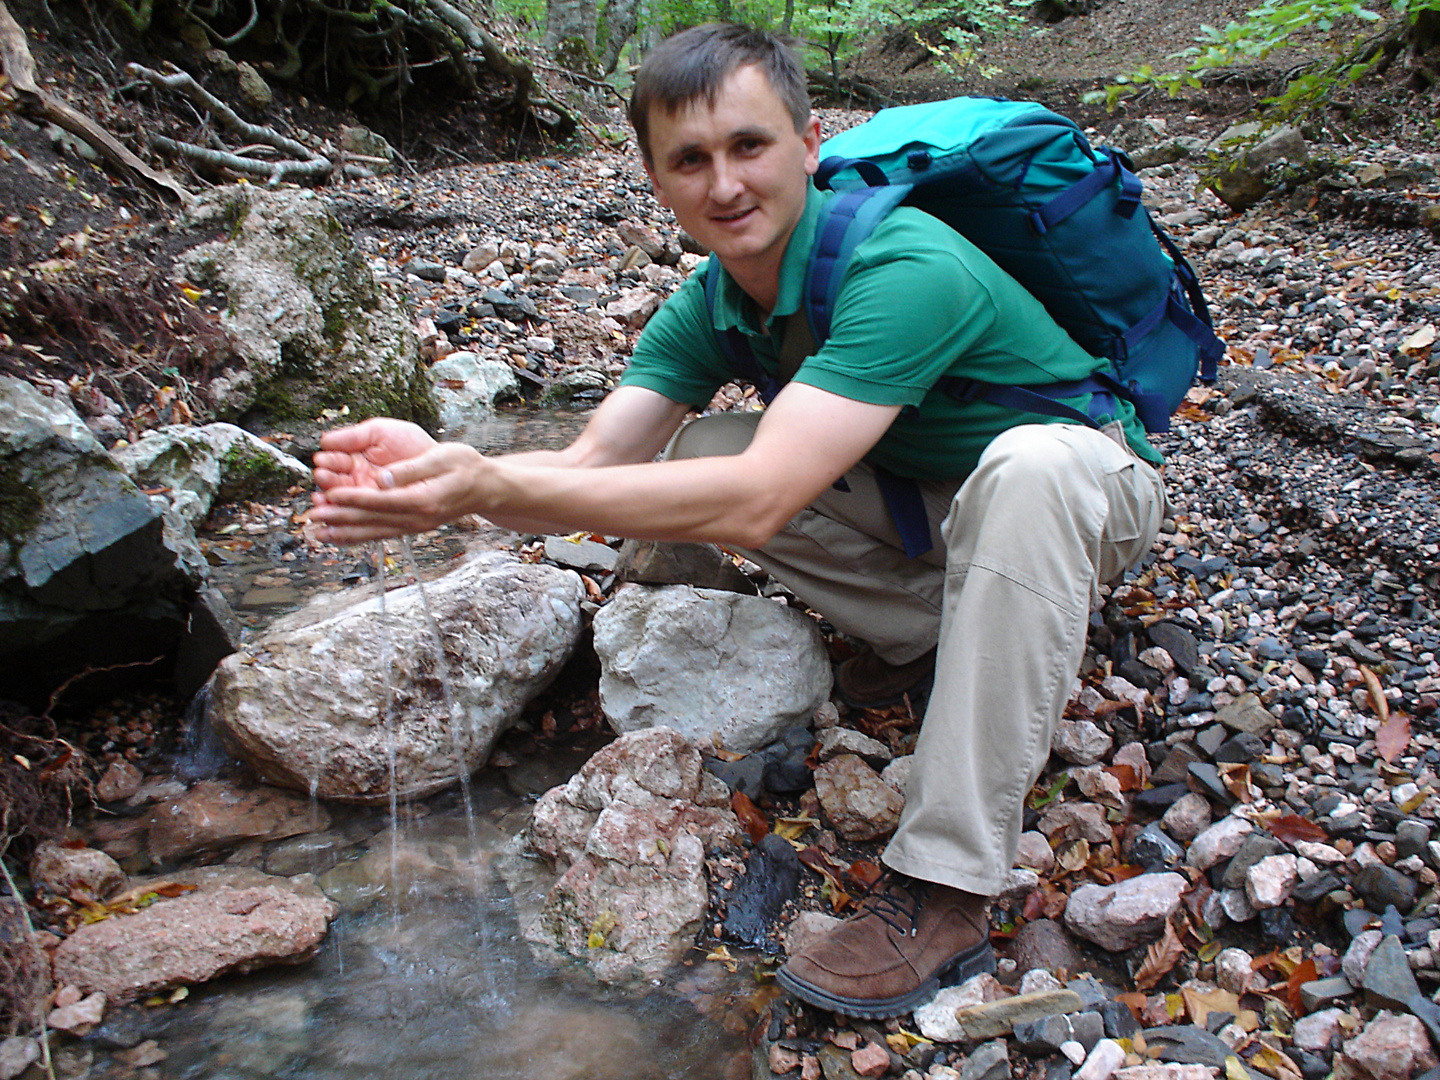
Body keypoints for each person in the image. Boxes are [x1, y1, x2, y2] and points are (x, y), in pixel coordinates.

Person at [311, 22, 1166, 1019]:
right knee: (701, 453)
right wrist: (454, 468)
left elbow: (761, 498)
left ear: (809, 145)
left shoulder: (903, 262)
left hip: (1083, 487)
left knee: (1014, 471)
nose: (724, 185)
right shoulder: (710, 304)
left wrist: (482, 490)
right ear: (656, 179)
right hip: (938, 510)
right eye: (691, 160)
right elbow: (594, 460)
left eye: (749, 146)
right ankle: (943, 629)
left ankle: (948, 886)